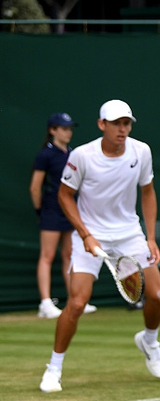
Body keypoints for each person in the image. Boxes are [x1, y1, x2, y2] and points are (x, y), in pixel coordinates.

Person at [39, 100, 160, 394]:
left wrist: (150, 237)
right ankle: (54, 369)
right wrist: (85, 234)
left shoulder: (141, 151)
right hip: (90, 235)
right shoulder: (82, 156)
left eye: (127, 123)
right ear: (102, 125)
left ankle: (149, 342)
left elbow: (148, 192)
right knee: (77, 303)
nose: (122, 129)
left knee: (158, 296)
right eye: (116, 124)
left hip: (129, 235)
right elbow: (64, 196)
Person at [30, 112, 97, 319]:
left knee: (69, 255)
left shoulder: (73, 154)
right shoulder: (45, 155)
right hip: (51, 210)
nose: (68, 132)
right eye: (64, 128)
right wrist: (41, 211)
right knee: (48, 255)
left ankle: (75, 299)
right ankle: (45, 303)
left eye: (70, 129)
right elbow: (35, 187)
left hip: (70, 210)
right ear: (53, 131)